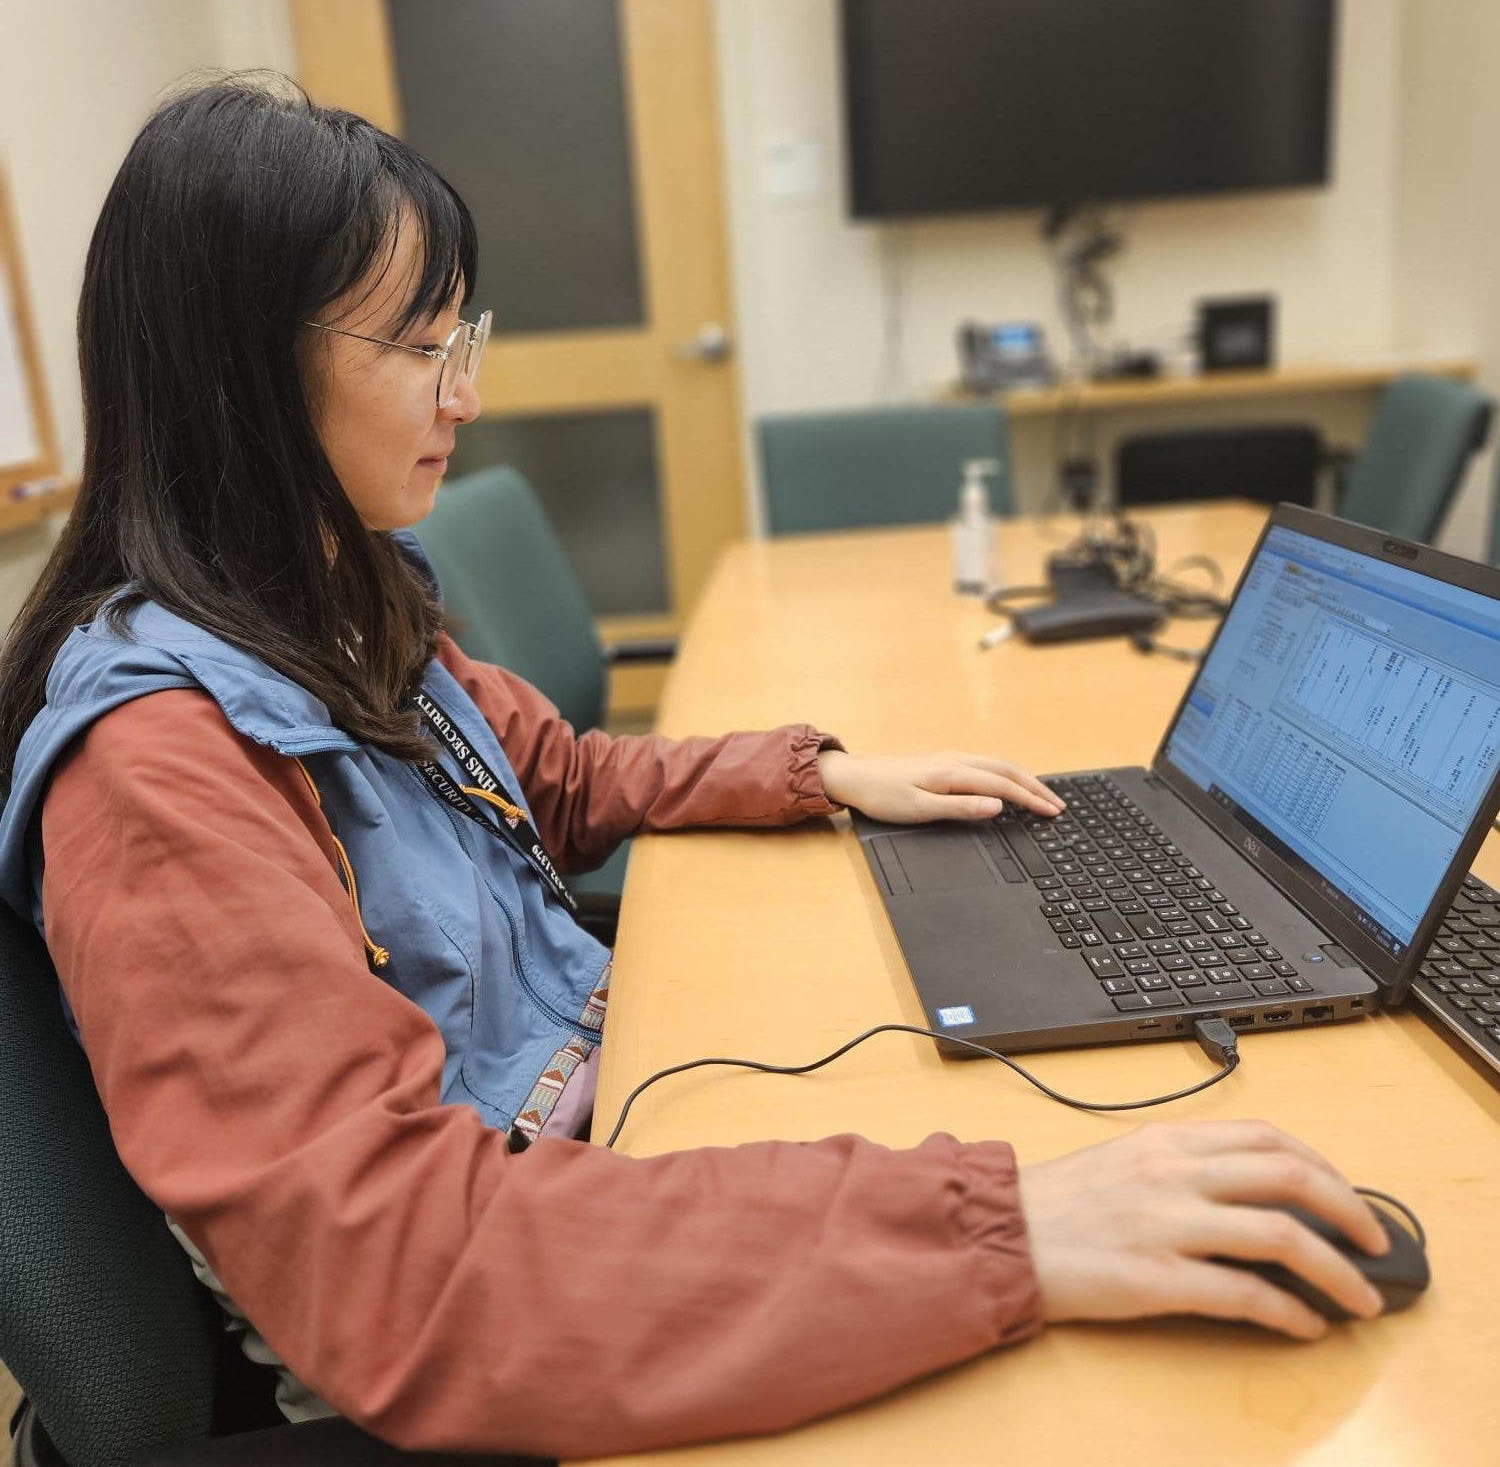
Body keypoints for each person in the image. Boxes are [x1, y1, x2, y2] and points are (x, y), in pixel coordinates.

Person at [0, 76, 1390, 1461]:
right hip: (500, 1309)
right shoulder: (155, 767)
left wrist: (818, 775)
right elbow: (408, 1276)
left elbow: (549, 775)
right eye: (423, 348)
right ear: (243, 370)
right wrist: (1007, 1227)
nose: (467, 395)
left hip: (601, 1137)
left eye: (461, 337)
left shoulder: (331, 596)